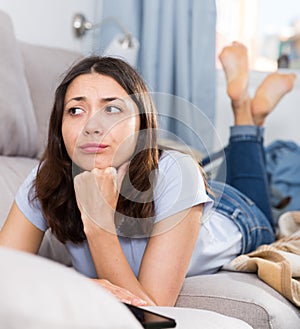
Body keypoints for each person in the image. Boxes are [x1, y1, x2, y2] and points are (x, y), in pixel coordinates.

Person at [0, 42, 296, 307]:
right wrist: (76, 285)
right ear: (58, 127)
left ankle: (244, 112)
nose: (92, 125)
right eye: (76, 111)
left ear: (141, 124)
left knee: (261, 203)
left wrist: (98, 221)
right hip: (179, 187)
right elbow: (5, 272)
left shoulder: (179, 172)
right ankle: (250, 113)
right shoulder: (46, 177)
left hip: (235, 214)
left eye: (112, 109)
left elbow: (149, 309)